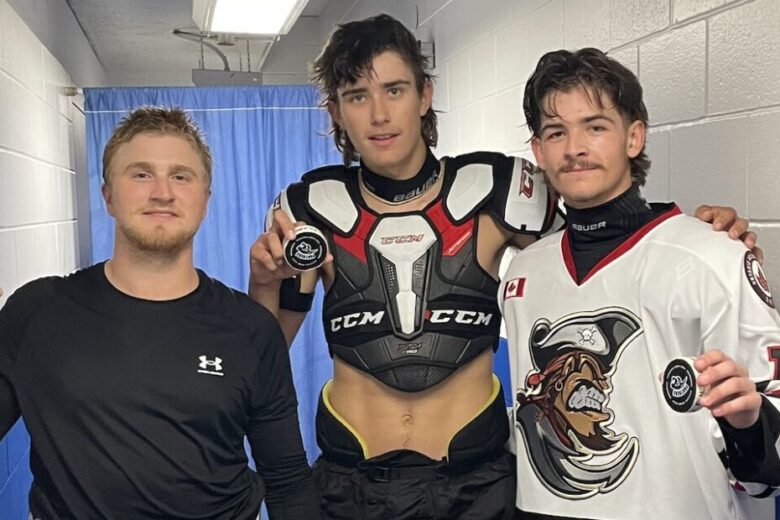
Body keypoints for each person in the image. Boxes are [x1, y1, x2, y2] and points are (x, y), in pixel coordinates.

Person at [249, 14, 755, 520]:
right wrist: (262, 282)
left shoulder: (502, 189)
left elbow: (605, 236)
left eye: (395, 89)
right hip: (353, 480)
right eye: (357, 96)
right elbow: (264, 355)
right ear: (336, 112)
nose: (379, 114)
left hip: (477, 484)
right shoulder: (309, 208)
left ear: (424, 96)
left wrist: (704, 230)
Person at [500, 48, 780, 519]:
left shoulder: (713, 254)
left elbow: (767, 464)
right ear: (538, 151)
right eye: (556, 132)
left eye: (594, 126)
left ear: (633, 137)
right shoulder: (523, 271)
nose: (574, 148)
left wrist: (749, 425)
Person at [0, 107, 319, 519]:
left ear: (205, 200)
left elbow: (288, 482)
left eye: (181, 176)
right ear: (108, 196)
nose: (162, 193)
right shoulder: (38, 312)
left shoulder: (251, 327)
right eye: (141, 174)